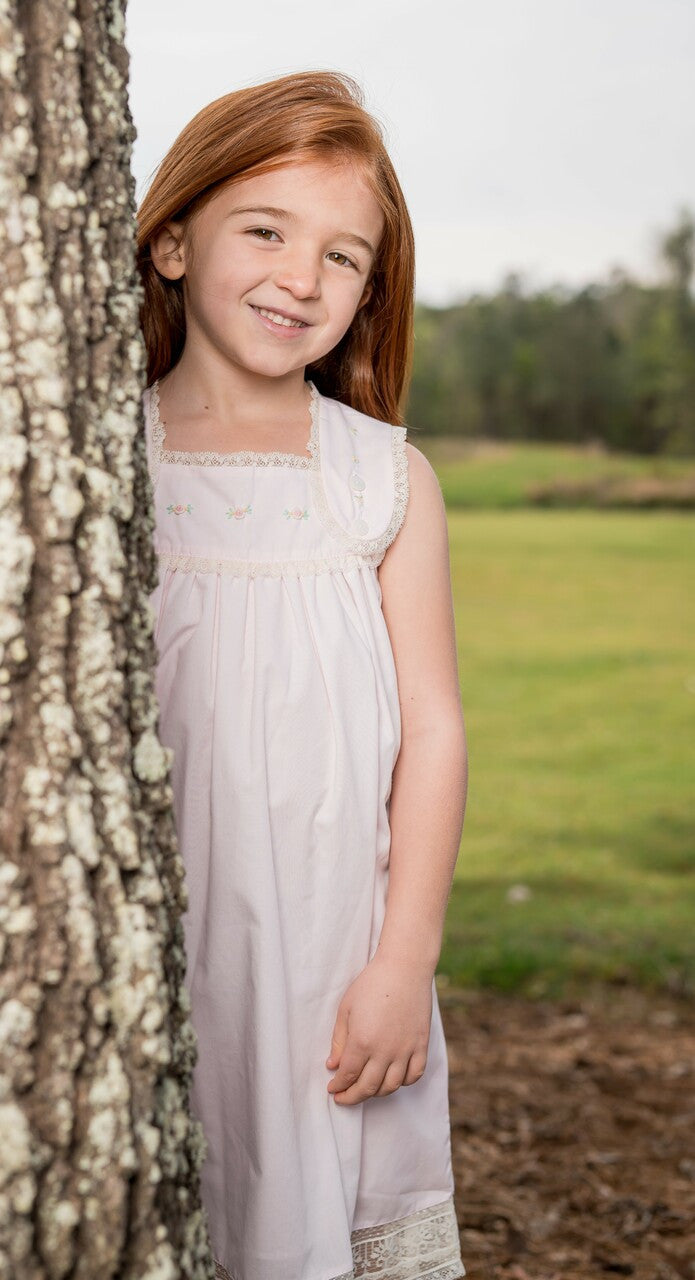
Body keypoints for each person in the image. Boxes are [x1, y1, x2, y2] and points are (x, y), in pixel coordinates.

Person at [136, 68, 468, 1280]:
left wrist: (402, 962)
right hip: (166, 935)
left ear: (371, 288)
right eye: (263, 231)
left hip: (338, 952)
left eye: (343, 257)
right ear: (172, 239)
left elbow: (431, 729)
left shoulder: (379, 479)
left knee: (315, 1214)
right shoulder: (102, 464)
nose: (299, 278)